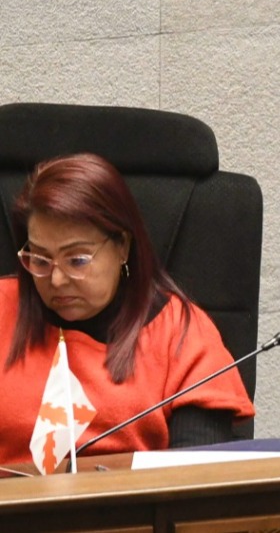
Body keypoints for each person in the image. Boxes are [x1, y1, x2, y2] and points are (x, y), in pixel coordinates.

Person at [0, 153, 254, 466]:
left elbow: (195, 482)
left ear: (122, 245)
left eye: (77, 260)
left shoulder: (181, 332)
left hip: (138, 511)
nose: (56, 279)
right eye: (39, 260)